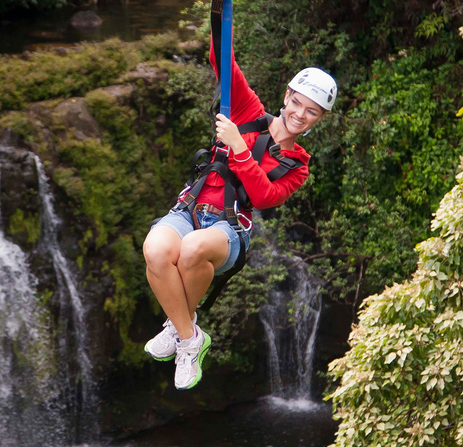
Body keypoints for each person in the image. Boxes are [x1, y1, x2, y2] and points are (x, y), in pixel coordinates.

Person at [142, 26, 337, 390]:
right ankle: (187, 335)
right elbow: (222, 59)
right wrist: (219, 12)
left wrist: (239, 147)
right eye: (297, 102)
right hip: (190, 208)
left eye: (312, 111)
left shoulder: (298, 164)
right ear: (287, 96)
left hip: (228, 230)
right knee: (155, 249)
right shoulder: (247, 110)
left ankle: (180, 332)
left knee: (192, 249)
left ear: (319, 119)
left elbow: (263, 196)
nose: (300, 114)